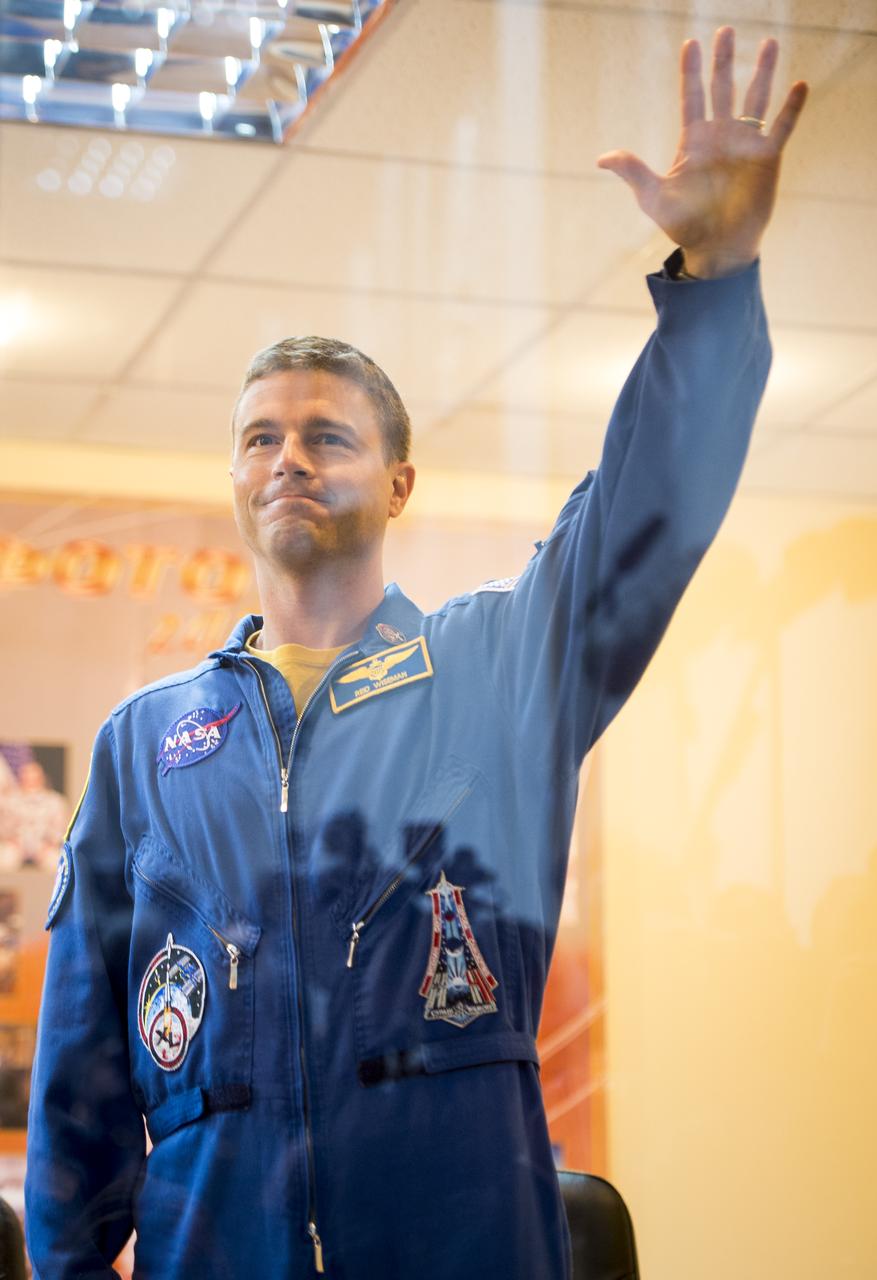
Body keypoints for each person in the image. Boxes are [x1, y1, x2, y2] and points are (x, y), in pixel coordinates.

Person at [25, 27, 807, 1280]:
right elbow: (81, 1082)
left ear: (395, 481)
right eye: (260, 437)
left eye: (327, 435)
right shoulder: (145, 745)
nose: (289, 456)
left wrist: (714, 276)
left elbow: (641, 514)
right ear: (233, 479)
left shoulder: (494, 671)